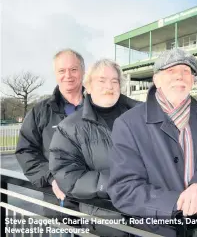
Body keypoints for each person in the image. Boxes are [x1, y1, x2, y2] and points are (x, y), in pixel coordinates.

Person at [107, 48, 197, 236]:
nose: (180, 76)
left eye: (186, 71)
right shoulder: (128, 123)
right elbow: (124, 189)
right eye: (171, 71)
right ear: (156, 80)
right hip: (159, 229)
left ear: (193, 80)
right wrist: (180, 202)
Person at [49, 59, 139, 236]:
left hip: (149, 219)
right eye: (102, 80)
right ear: (88, 87)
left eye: (115, 81)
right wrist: (111, 182)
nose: (109, 86)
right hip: (106, 223)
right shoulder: (70, 128)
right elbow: (67, 175)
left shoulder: (143, 115)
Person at [15, 49, 85, 216]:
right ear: (55, 73)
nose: (68, 75)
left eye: (73, 69)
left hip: (99, 203)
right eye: (62, 70)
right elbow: (26, 151)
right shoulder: (40, 112)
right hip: (59, 202)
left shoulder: (99, 107)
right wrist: (51, 177)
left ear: (83, 71)